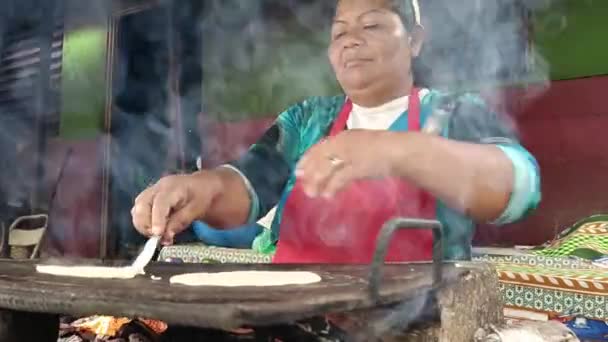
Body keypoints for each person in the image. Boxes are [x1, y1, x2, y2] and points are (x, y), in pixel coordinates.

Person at [133, 0, 541, 339]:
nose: (351, 40)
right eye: (339, 31)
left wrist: (401, 151)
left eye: (373, 25)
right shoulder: (309, 120)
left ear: (415, 40)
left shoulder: (452, 113)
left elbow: (518, 185)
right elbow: (248, 183)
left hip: (404, 323)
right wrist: (198, 188)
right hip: (293, 318)